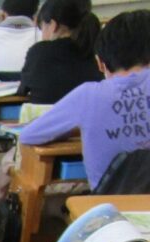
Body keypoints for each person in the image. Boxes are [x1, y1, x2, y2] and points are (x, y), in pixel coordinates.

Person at [20, 9, 150, 189]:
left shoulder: (87, 96)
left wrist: (76, 129)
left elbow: (28, 135)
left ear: (100, 63)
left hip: (110, 202)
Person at [17, 0, 102, 103]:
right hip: (87, 113)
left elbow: (23, 90)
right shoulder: (95, 50)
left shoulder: (38, 52)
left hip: (48, 113)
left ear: (53, 25)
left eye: (42, 28)